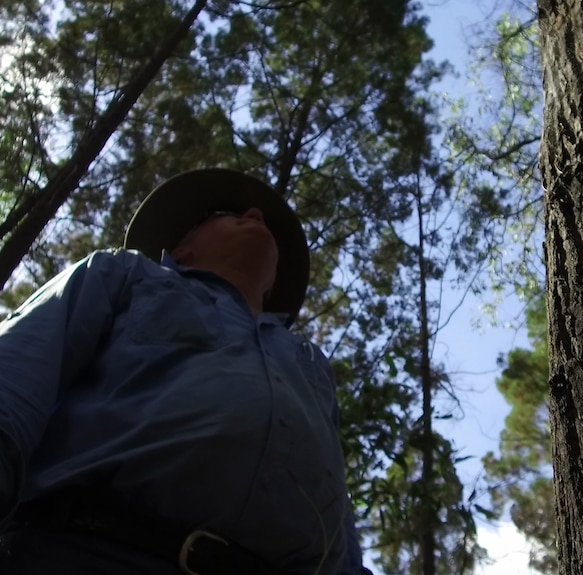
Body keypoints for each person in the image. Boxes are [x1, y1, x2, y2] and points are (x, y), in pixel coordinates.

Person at [0, 168, 370, 575]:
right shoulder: (122, 274)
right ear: (182, 249)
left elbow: (339, 523)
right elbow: (13, 379)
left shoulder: (309, 363)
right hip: (85, 553)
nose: (255, 215)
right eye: (226, 212)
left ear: (272, 282)